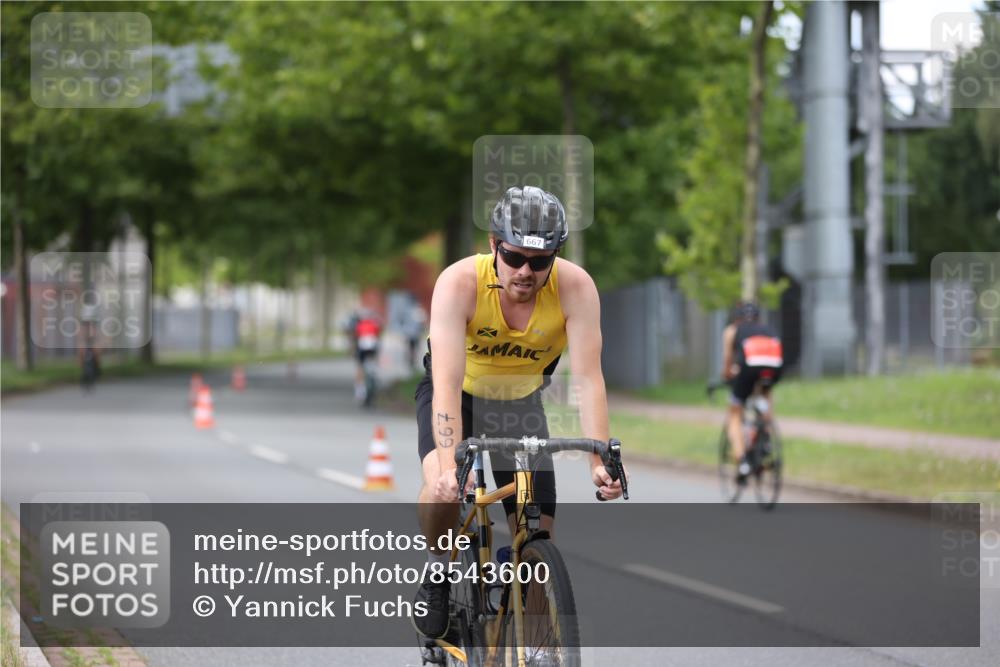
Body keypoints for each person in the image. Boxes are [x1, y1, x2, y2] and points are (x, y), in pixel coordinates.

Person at [412, 185, 624, 639]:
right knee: (442, 490)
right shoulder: (459, 283)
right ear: (493, 246)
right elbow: (446, 384)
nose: (526, 271)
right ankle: (437, 571)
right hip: (459, 394)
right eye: (514, 257)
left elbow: (590, 378)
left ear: (555, 257)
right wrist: (450, 465)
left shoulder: (576, 288)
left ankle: (531, 637)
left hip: (519, 402)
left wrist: (598, 461)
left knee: (537, 534)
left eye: (540, 260)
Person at [720, 301, 783, 483]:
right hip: (774, 367)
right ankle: (766, 437)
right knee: (765, 393)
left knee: (734, 414)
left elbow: (727, 364)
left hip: (748, 368)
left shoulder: (732, 330)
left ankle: (743, 462)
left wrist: (727, 376)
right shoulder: (767, 329)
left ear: (736, 318)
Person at [346, 308, 383, 402]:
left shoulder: (359, 325)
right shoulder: (375, 324)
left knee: (360, 367)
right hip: (373, 347)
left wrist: (351, 350)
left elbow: (355, 338)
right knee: (372, 364)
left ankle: (359, 391)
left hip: (362, 348)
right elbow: (378, 335)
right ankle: (373, 375)